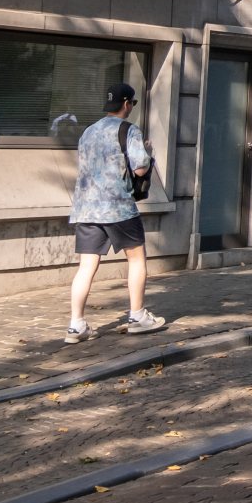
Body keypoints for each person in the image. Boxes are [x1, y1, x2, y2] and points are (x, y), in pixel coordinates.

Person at [64, 83, 166, 342]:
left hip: (86, 208)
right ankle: (137, 316)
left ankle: (76, 325)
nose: (131, 107)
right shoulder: (129, 130)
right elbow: (141, 168)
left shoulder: (88, 131)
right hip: (118, 207)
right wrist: (149, 152)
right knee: (137, 259)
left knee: (86, 266)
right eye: (132, 102)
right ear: (126, 103)